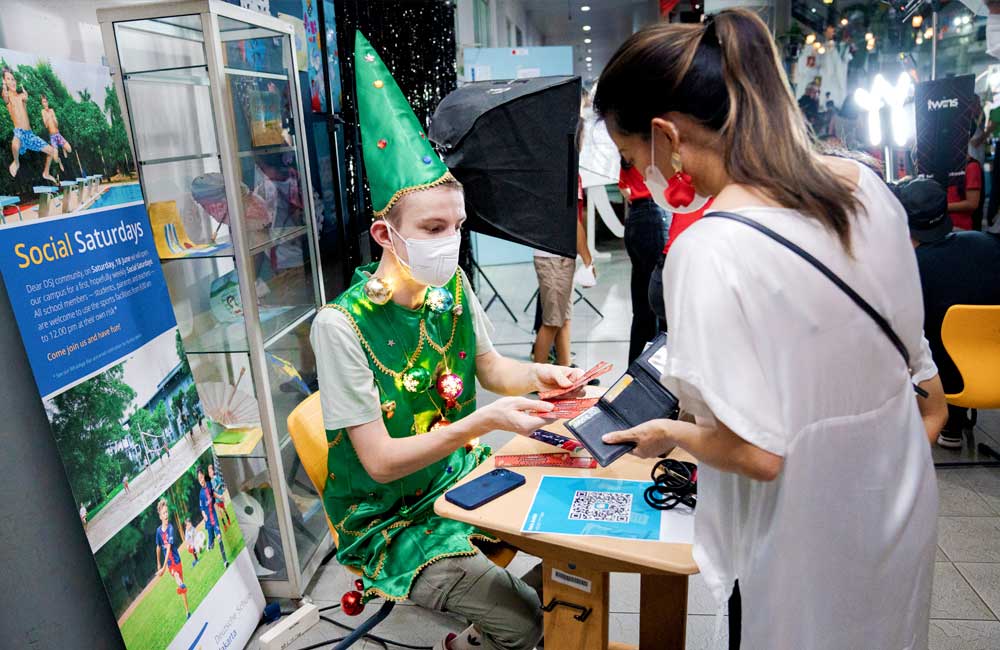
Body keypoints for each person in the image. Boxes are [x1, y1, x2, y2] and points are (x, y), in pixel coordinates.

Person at [593, 10, 946, 649]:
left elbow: (759, 454)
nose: (636, 177)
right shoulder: (866, 188)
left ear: (667, 135)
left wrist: (669, 432)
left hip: (805, 540)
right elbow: (930, 401)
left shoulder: (709, 250)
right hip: (898, 501)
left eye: (630, 156)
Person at [308, 32, 581, 650]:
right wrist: (482, 424)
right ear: (384, 232)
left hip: (459, 475)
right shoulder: (342, 326)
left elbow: (489, 368)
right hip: (390, 520)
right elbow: (378, 462)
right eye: (433, 227)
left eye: (457, 226)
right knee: (535, 623)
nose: (450, 241)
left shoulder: (450, 287)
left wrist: (544, 377)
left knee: (574, 555)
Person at [897, 177, 1000, 448]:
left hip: (946, 384)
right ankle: (954, 423)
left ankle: (950, 425)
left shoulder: (911, 268)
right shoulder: (989, 244)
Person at [619, 158, 669, 363]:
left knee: (642, 309)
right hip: (653, 214)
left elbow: (624, 189)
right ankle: (652, 371)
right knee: (660, 306)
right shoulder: (654, 149)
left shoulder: (629, 154)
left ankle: (634, 374)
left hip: (636, 218)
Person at [2, 67, 58, 181]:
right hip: (20, 132)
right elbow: (5, 95)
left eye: (13, 79)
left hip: (30, 135)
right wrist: (3, 85)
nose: (12, 82)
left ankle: (46, 173)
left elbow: (25, 103)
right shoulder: (8, 98)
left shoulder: (21, 96)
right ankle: (16, 162)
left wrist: (25, 97)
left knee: (52, 151)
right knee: (15, 144)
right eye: (8, 79)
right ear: (5, 82)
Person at [154, 498, 190, 620]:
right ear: (160, 516)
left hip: (176, 560)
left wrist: (162, 569)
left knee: (181, 587)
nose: (166, 514)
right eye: (164, 513)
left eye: (167, 512)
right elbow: (158, 547)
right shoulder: (158, 531)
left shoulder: (170, 528)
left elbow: (168, 548)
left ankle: (187, 610)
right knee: (175, 574)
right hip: (170, 564)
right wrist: (159, 563)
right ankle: (180, 584)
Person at [197, 466, 228, 569]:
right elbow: (201, 508)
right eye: (199, 479)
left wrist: (220, 497)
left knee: (219, 536)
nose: (201, 480)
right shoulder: (201, 494)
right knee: (211, 542)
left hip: (213, 516)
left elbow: (213, 494)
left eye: (201, 477)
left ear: (204, 477)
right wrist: (204, 515)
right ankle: (210, 543)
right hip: (208, 521)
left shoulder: (209, 484)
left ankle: (225, 561)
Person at [946, 154, 983, 232]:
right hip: (938, 226)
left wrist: (940, 207)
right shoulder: (940, 163)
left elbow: (972, 203)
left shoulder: (971, 166)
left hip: (959, 228)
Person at [40, 94, 72, 178]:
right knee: (55, 159)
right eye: (43, 102)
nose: (45, 103)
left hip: (58, 135)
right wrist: (48, 117)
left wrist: (53, 118)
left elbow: (57, 124)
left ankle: (63, 148)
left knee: (70, 149)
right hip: (53, 137)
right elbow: (46, 125)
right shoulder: (43, 112)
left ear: (47, 102)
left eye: (46, 102)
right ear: (42, 104)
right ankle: (60, 161)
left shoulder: (52, 110)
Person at [207, 462, 231, 531]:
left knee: (224, 509)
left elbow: (221, 483)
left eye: (211, 471)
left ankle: (228, 518)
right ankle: (224, 525)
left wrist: (217, 488)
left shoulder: (216, 477)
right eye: (209, 472)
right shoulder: (211, 481)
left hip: (220, 496)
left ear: (213, 472)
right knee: (220, 512)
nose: (210, 473)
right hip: (216, 499)